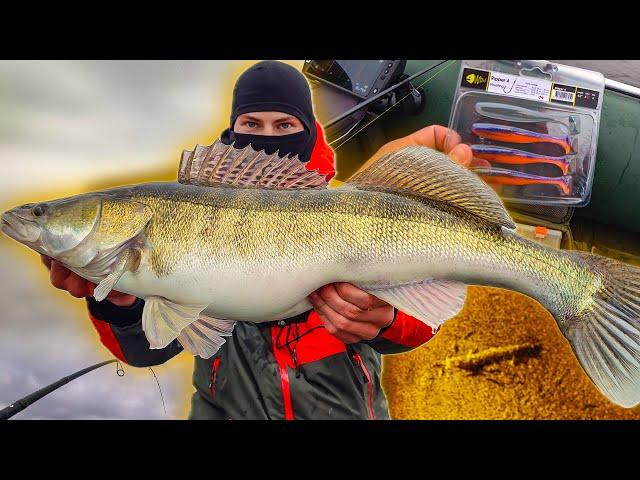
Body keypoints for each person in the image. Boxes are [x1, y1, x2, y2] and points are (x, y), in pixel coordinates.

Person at [41, 60, 473, 419]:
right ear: (233, 129)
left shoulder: (347, 210)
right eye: (251, 122)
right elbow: (144, 353)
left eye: (284, 123)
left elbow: (422, 317)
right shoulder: (184, 218)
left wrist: (384, 320)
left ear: (307, 129)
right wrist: (118, 305)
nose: (266, 136)